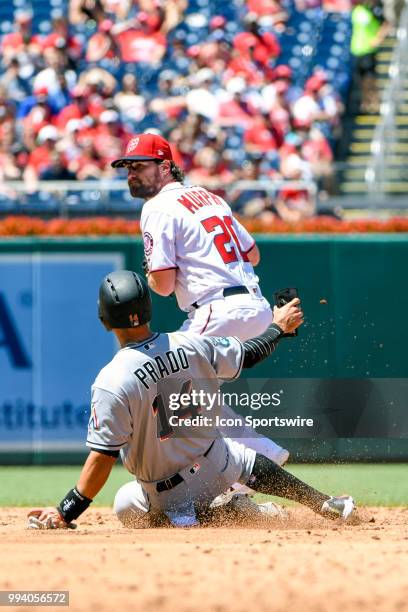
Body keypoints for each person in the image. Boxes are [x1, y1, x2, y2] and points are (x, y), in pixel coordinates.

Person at [27, 270, 355, 529]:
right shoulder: (191, 343)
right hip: (218, 463)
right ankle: (325, 503)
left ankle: (213, 515)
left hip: (167, 494)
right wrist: (278, 328)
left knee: (126, 503)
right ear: (148, 309)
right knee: (236, 456)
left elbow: (102, 458)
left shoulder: (112, 380)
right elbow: (250, 354)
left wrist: (64, 512)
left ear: (104, 321)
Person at [110, 132, 290, 487]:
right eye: (127, 167)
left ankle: (244, 467)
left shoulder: (156, 207)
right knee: (188, 395)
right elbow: (253, 254)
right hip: (254, 304)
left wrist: (151, 271)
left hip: (216, 308)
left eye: (139, 166)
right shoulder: (210, 197)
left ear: (164, 166)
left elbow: (161, 286)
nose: (131, 173)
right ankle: (253, 461)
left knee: (170, 391)